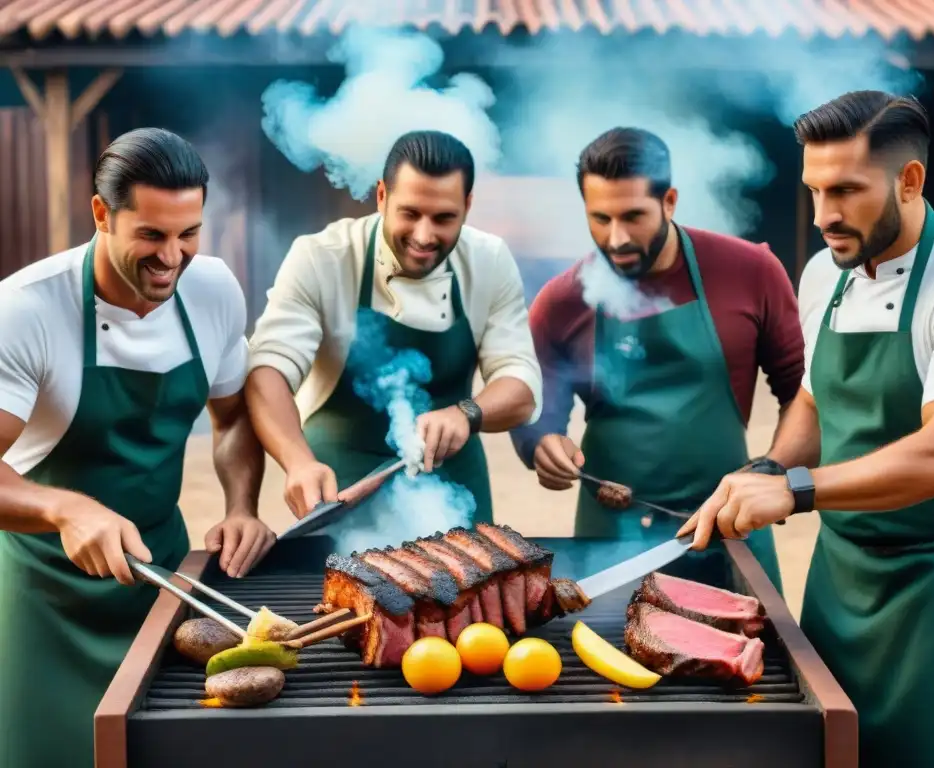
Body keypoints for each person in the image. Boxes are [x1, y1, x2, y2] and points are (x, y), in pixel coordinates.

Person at [678, 91, 934, 768]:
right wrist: (770, 467)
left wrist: (799, 491)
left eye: (845, 191)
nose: (824, 215)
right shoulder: (822, 274)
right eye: (813, 190)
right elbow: (814, 401)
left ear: (910, 180)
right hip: (842, 582)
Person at [0, 127, 273, 767]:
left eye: (189, 234)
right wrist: (67, 511)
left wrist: (241, 505)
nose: (172, 258)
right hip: (46, 597)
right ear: (101, 213)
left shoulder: (212, 291)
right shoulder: (25, 310)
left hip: (164, 582)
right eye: (151, 235)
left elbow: (232, 419)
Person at [509, 127, 804, 591]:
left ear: (669, 201)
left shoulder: (750, 272)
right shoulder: (563, 300)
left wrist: (773, 471)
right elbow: (536, 413)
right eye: (600, 218)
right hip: (610, 539)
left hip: (730, 529)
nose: (617, 238)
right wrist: (540, 446)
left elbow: (804, 395)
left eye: (633, 216)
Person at [245, 129, 542, 524]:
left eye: (443, 218)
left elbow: (520, 383)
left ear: (467, 206)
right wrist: (297, 462)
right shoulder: (322, 257)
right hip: (340, 482)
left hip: (454, 484)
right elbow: (268, 372)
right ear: (382, 196)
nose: (424, 235)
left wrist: (466, 413)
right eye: (410, 213)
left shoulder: (488, 260)